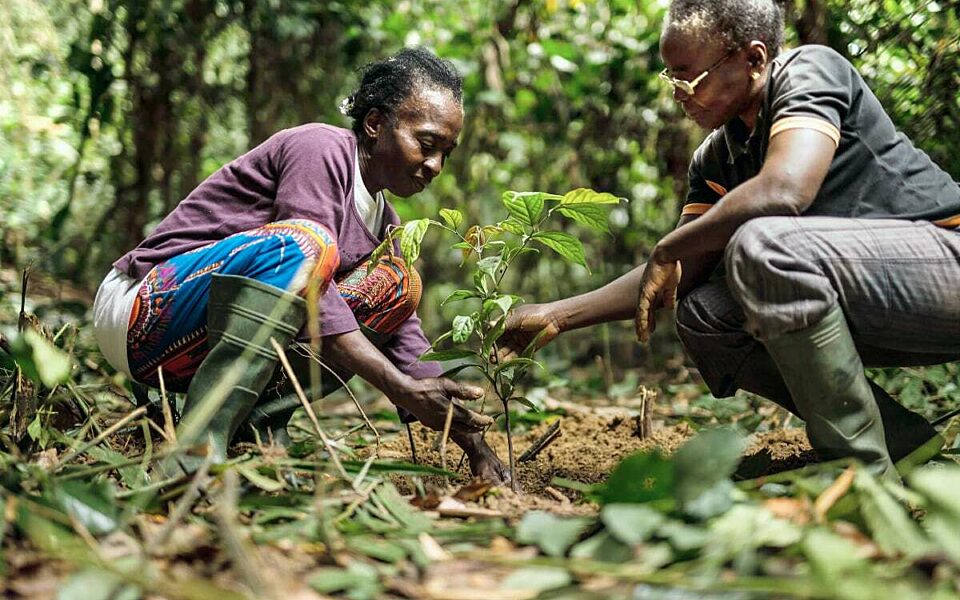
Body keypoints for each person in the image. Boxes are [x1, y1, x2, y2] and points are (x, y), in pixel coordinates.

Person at [501, 0, 960, 480]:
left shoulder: (810, 72)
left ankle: (865, 478)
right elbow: (677, 276)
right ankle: (901, 444)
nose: (678, 93)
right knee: (704, 315)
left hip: (945, 266)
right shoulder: (717, 158)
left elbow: (786, 190)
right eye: (670, 77)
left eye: (688, 77)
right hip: (872, 298)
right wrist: (556, 315)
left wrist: (667, 247)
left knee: (765, 246)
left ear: (754, 59)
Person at [93, 48, 508, 483]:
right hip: (139, 314)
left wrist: (475, 447)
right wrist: (395, 385)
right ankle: (198, 448)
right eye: (426, 144)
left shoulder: (386, 223)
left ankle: (254, 427)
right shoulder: (322, 149)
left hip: (186, 350)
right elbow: (307, 269)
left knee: (396, 285)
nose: (435, 165)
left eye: (447, 153)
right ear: (374, 124)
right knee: (306, 245)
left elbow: (405, 336)